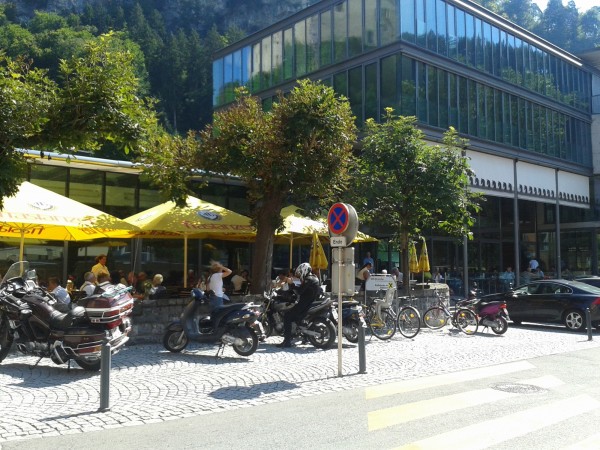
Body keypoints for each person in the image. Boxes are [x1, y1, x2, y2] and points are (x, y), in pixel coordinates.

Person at [277, 262, 321, 349]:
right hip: (309, 302)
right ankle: (305, 337)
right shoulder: (314, 278)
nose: (299, 275)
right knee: (298, 319)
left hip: (304, 304)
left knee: (287, 316)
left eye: (300, 273)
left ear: (304, 271)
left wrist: (291, 284)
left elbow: (299, 291)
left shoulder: (308, 279)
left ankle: (287, 341)